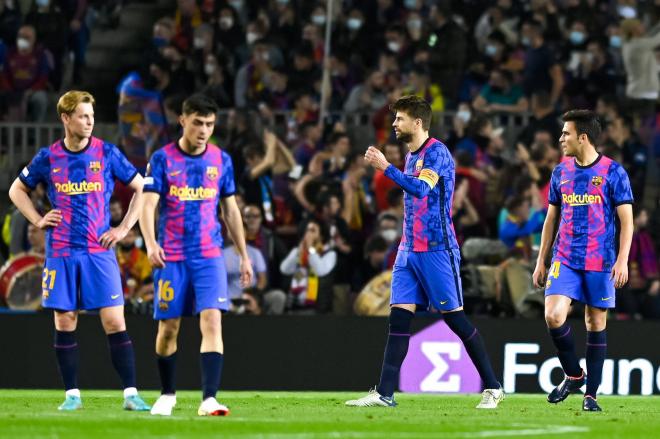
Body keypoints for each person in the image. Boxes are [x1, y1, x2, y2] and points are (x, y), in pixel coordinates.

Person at [346, 95, 503, 409]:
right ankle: (385, 393)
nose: (394, 124)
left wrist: (384, 166)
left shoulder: (438, 153)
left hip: (437, 249)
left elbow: (420, 189)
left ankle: (493, 387)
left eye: (400, 119)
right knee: (399, 320)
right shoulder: (411, 155)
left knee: (455, 319)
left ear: (417, 123)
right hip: (408, 249)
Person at [7, 90, 150, 411]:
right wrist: (37, 218)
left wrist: (124, 229)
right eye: (83, 116)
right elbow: (17, 190)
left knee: (114, 321)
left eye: (92, 117)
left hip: (99, 252)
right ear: (65, 119)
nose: (89, 122)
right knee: (65, 320)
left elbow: (142, 187)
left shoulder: (108, 153)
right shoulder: (48, 157)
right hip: (61, 252)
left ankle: (131, 394)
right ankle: (72, 395)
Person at [140, 94, 253, 417]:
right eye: (198, 123)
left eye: (209, 124)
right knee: (169, 329)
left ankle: (209, 399)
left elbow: (230, 211)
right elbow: (148, 205)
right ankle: (167, 393)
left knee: (212, 321)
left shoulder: (221, 160)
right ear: (183, 121)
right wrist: (150, 243)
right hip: (171, 255)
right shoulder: (162, 159)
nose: (203, 130)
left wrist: (243, 255)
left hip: (209, 255)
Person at [532, 110, 634, 412]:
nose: (561, 138)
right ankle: (574, 375)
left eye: (566, 133)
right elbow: (551, 218)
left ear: (583, 137)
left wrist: (622, 260)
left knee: (595, 322)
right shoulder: (560, 172)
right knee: (553, 316)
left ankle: (591, 395)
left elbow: (626, 221)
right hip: (565, 257)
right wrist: (541, 260)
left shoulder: (613, 173)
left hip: (600, 260)